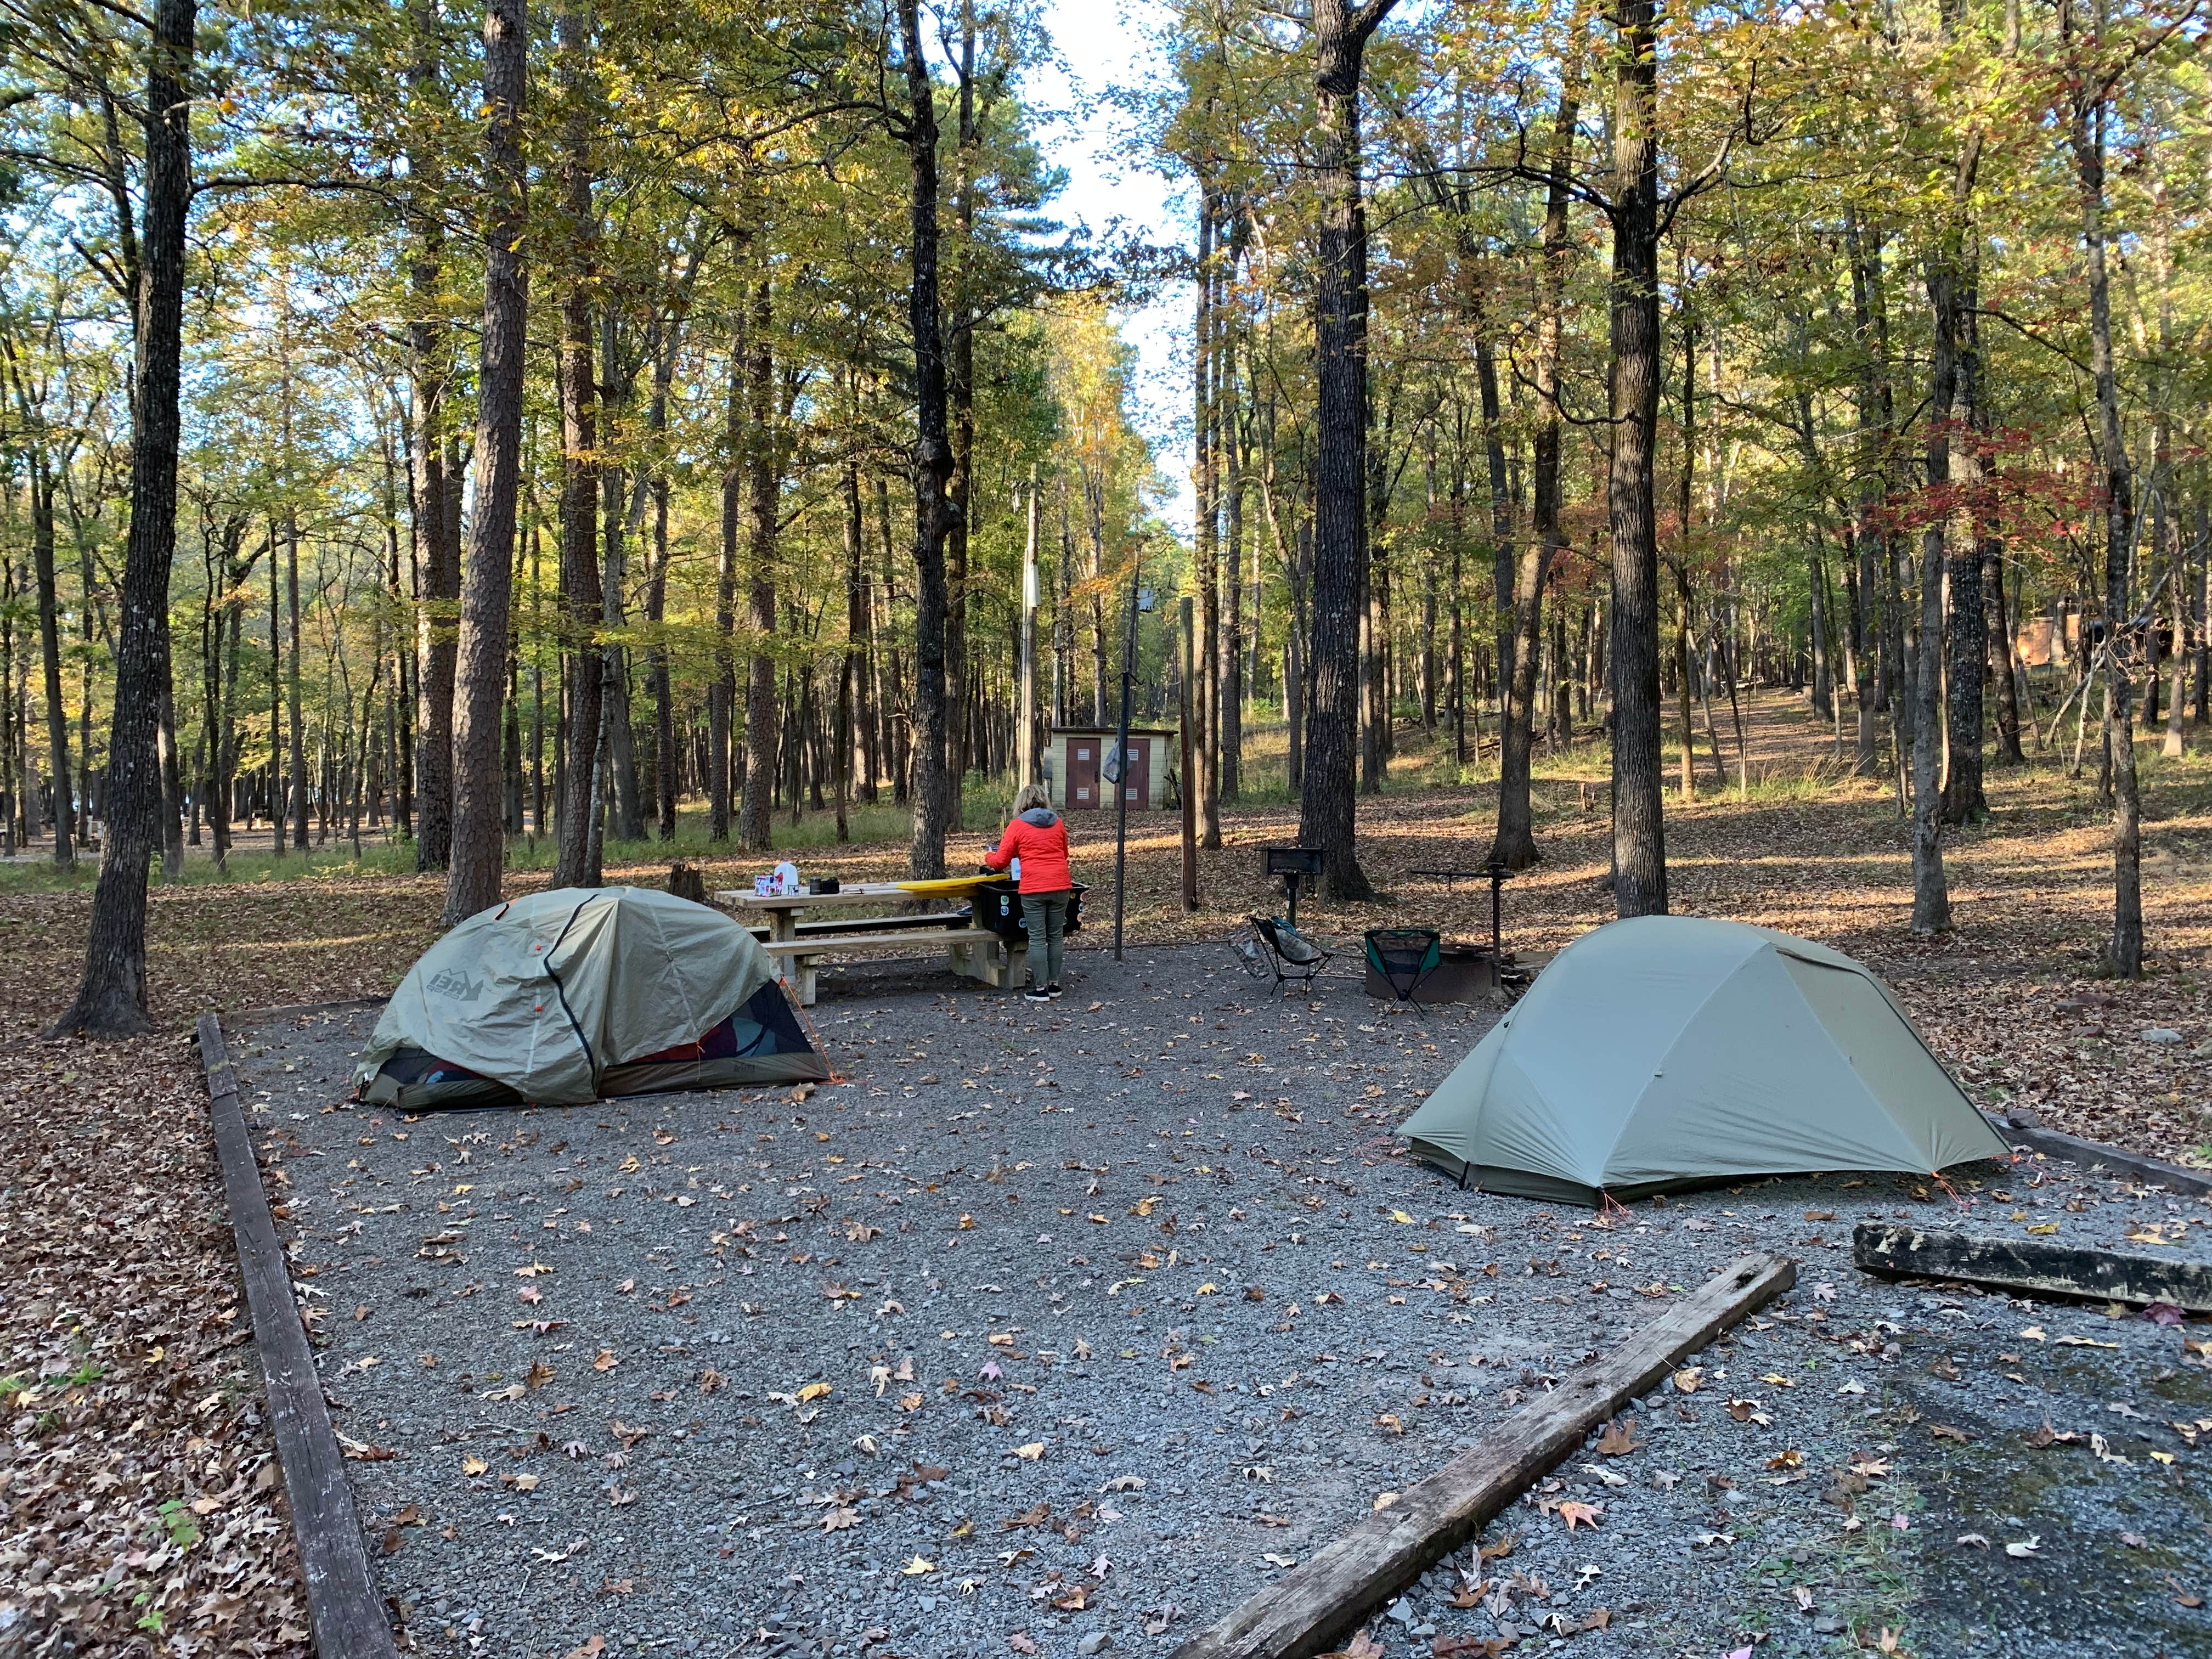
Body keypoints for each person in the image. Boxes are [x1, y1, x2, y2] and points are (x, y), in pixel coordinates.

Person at [983, 781, 1073, 1002]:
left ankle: (1040, 989)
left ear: (1021, 803)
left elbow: (1001, 861)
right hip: (1061, 885)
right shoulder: (1058, 823)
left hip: (1034, 888)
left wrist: (987, 856)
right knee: (1055, 937)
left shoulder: (1017, 826)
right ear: (1044, 800)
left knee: (1037, 937)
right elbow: (1065, 853)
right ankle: (1054, 985)